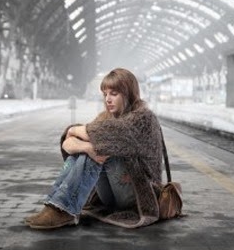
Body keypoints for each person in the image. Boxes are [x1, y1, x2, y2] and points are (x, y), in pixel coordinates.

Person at [25, 68, 163, 229]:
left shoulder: (143, 118)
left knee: (100, 149)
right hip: (110, 195)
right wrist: (85, 146)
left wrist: (75, 133)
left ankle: (64, 209)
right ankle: (56, 205)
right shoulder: (105, 117)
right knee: (87, 151)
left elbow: (93, 135)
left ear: (129, 93)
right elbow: (68, 144)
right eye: (105, 94)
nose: (108, 99)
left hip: (138, 195)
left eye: (114, 93)